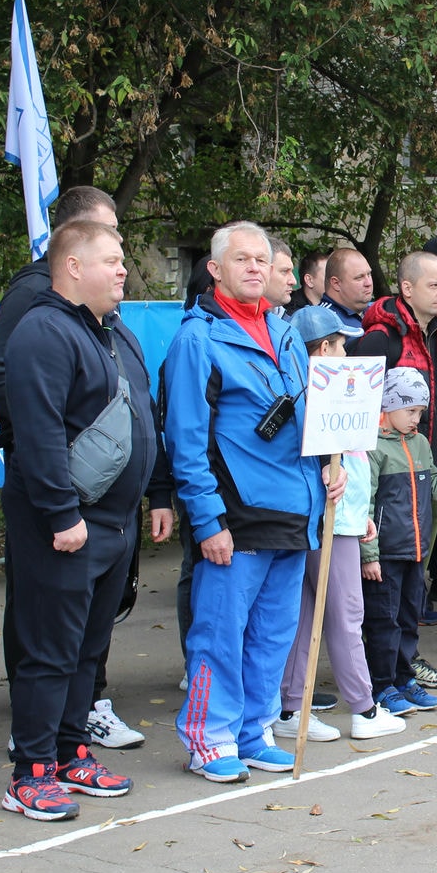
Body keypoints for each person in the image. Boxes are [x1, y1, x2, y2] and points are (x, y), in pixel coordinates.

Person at [0, 218, 175, 821]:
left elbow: (143, 416)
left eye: (123, 260)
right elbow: (39, 433)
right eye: (110, 260)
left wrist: (156, 494)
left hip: (115, 523)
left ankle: (73, 750)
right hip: (67, 524)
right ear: (73, 266)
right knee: (50, 649)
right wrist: (61, 513)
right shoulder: (42, 331)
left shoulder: (114, 332)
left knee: (87, 649)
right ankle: (31, 772)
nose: (123, 269)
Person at [165, 222, 334, 782]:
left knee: (272, 634)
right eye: (242, 260)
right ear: (215, 269)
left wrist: (330, 464)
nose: (256, 269)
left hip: (295, 507)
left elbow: (311, 411)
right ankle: (207, 739)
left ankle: (253, 731)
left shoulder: (284, 332)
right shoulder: (198, 339)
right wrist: (208, 520)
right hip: (235, 517)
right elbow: (186, 443)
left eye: (263, 260)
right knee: (219, 634)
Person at [273, 306, 406, 744]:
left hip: (340, 517)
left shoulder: (319, 391)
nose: (347, 350)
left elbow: (352, 459)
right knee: (347, 614)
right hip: (330, 520)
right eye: (341, 343)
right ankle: (364, 709)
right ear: (323, 348)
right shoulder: (315, 393)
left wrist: (361, 511)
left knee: (308, 612)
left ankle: (291, 708)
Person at [362, 369, 437, 714]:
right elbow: (366, 506)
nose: (417, 419)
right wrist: (368, 554)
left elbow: (432, 488)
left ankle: (403, 679)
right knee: (383, 622)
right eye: (409, 411)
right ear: (387, 406)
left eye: (420, 411)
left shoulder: (420, 444)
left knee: (408, 618)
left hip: (416, 551)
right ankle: (382, 685)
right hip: (386, 553)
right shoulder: (373, 448)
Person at [358, 250, 437, 641]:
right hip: (389, 478)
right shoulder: (381, 339)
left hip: (430, 471)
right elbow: (357, 412)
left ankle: (405, 658)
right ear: (406, 288)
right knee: (389, 578)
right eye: (433, 285)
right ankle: (384, 660)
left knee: (417, 572)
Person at [323, 247, 376, 339]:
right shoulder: (323, 320)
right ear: (336, 283)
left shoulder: (376, 311)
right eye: (359, 277)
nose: (369, 283)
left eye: (369, 274)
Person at [286, 249, 329, 313]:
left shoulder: (334, 306)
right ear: (309, 280)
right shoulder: (293, 313)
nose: (334, 281)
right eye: (328, 275)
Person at [264, 234, 298, 315]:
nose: (293, 281)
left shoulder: (290, 321)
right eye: (285, 271)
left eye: (291, 272)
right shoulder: (233, 323)